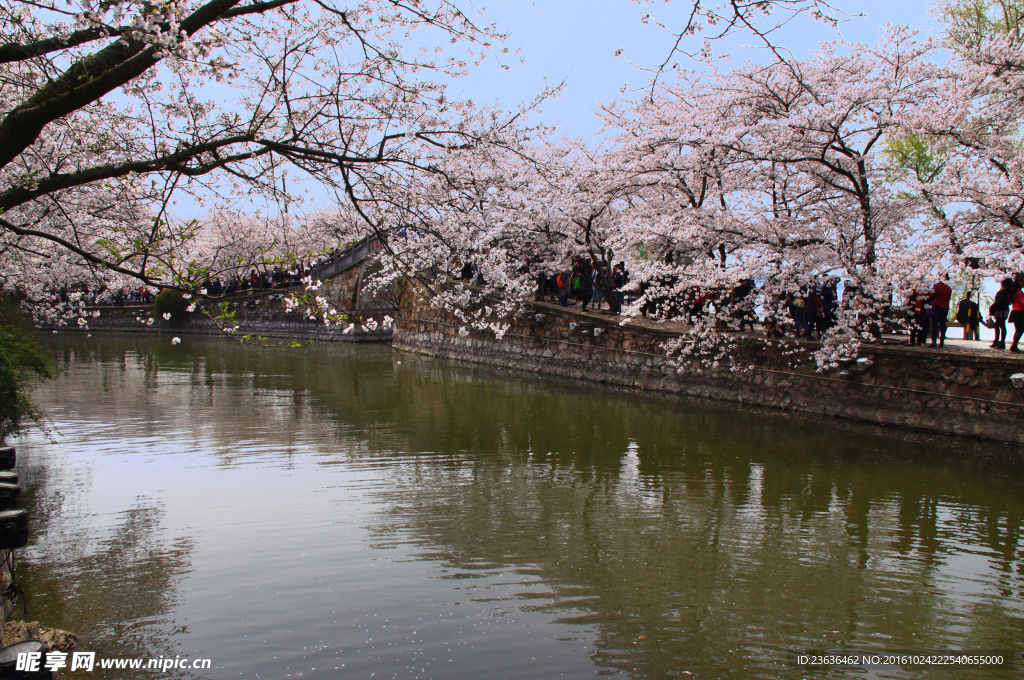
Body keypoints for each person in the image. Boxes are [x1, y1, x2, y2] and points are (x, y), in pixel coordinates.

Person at [990, 278, 1013, 350]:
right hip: (1003, 309)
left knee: (1001, 325)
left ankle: (1000, 342)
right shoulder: (1008, 291)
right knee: (999, 325)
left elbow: (999, 301)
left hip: (1001, 309)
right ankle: (998, 341)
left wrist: (992, 307)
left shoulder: (1004, 292)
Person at [930, 275, 953, 347]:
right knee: (943, 325)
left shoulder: (936, 286)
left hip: (937, 307)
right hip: (945, 308)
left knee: (934, 325)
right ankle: (942, 341)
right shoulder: (949, 289)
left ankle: (934, 341)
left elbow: (931, 296)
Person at [1008, 274, 1024, 353]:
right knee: (1020, 330)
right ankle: (1014, 346)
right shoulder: (1019, 292)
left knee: (1018, 329)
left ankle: (1014, 346)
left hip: (1015, 311)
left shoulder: (1015, 291)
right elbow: (1023, 302)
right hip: (1020, 312)